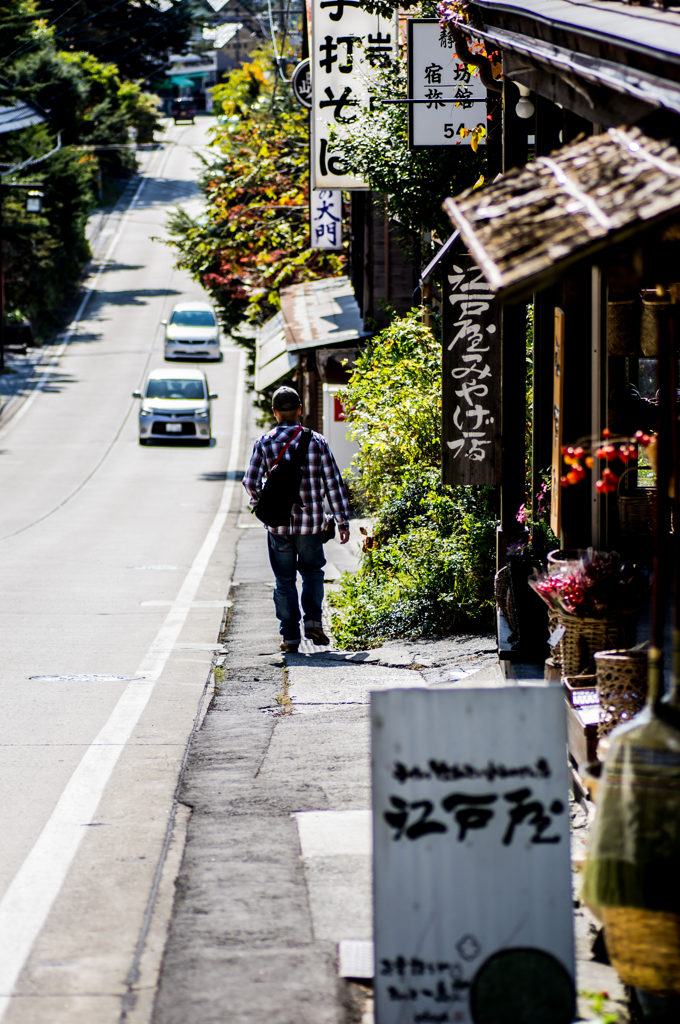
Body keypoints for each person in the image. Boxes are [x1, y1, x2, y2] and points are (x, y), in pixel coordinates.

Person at [243, 385, 351, 653]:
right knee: (312, 572)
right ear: (300, 411)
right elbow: (333, 484)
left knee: (284, 580)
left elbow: (250, 482)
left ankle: (290, 636)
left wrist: (261, 506)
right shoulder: (317, 441)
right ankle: (313, 620)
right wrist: (342, 521)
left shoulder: (264, 443)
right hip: (311, 523)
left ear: (275, 412)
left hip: (278, 525)